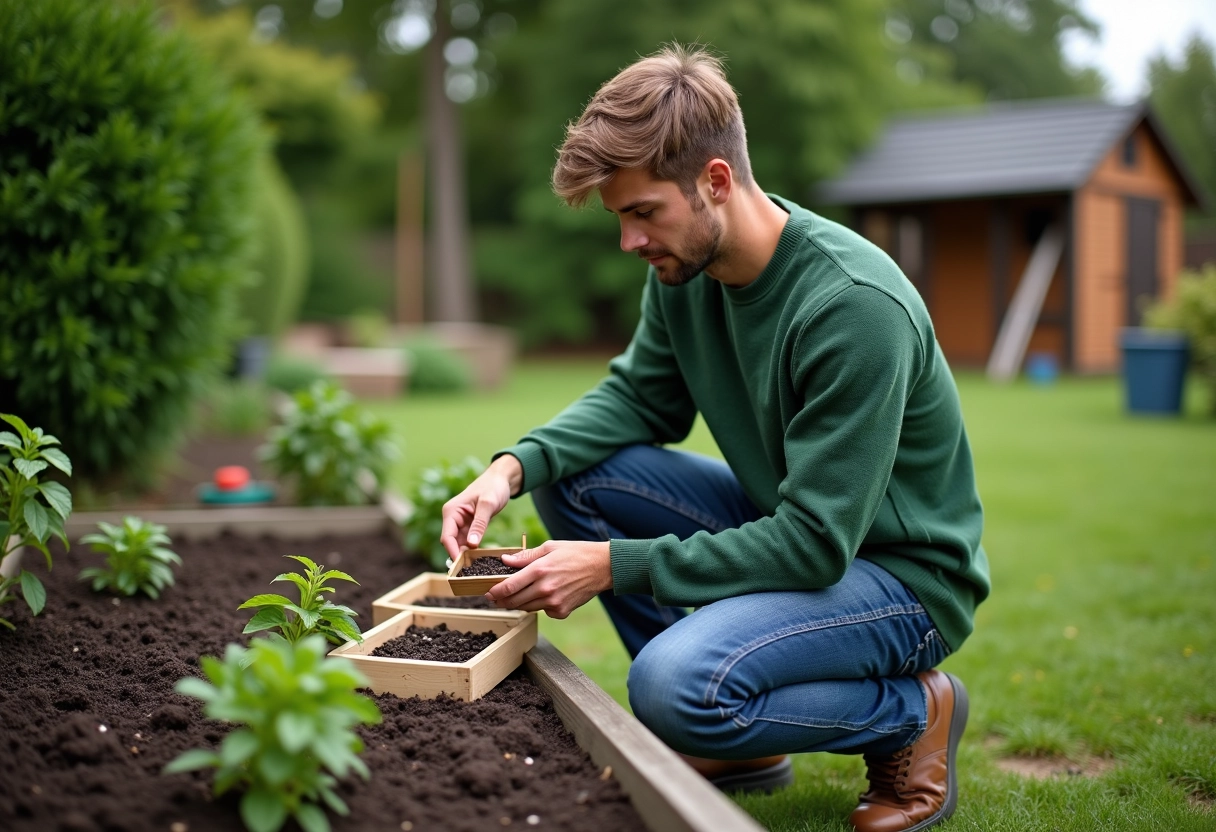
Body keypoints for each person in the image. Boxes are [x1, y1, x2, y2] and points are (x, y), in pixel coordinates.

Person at [439, 44, 989, 832]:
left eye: (642, 213)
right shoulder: (684, 274)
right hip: (797, 529)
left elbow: (813, 546)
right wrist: (510, 470)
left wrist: (609, 565)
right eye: (619, 217)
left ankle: (912, 712)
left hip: (900, 577)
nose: (630, 241)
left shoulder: (852, 308)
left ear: (716, 182)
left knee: (673, 687)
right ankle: (736, 739)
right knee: (573, 474)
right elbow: (639, 399)